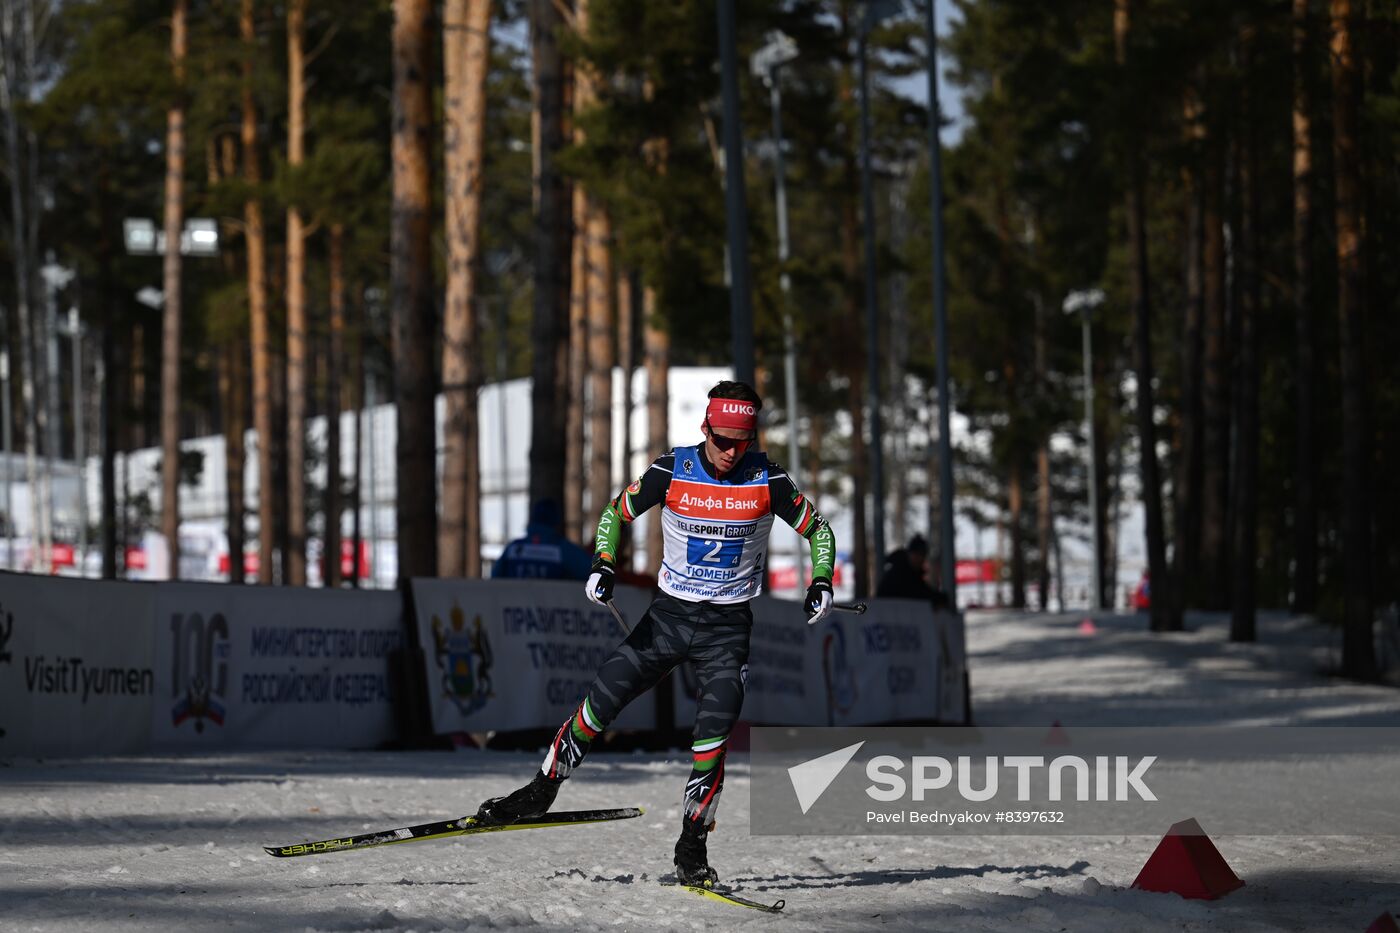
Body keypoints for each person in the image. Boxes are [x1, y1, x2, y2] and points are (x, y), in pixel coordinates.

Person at [474, 380, 837, 887]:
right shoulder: (673, 468)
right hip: (668, 618)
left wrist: (821, 580)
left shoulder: (769, 479)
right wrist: (603, 564)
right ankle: (541, 790)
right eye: (723, 440)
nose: (732, 452)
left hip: (726, 630)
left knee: (712, 738)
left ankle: (692, 847)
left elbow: (819, 530)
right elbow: (614, 514)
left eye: (743, 442)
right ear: (704, 429)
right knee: (602, 698)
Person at [491, 498, 592, 581]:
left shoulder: (513, 549)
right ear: (556, 521)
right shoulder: (563, 550)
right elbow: (591, 573)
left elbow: (494, 580)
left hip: (513, 605)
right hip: (555, 604)